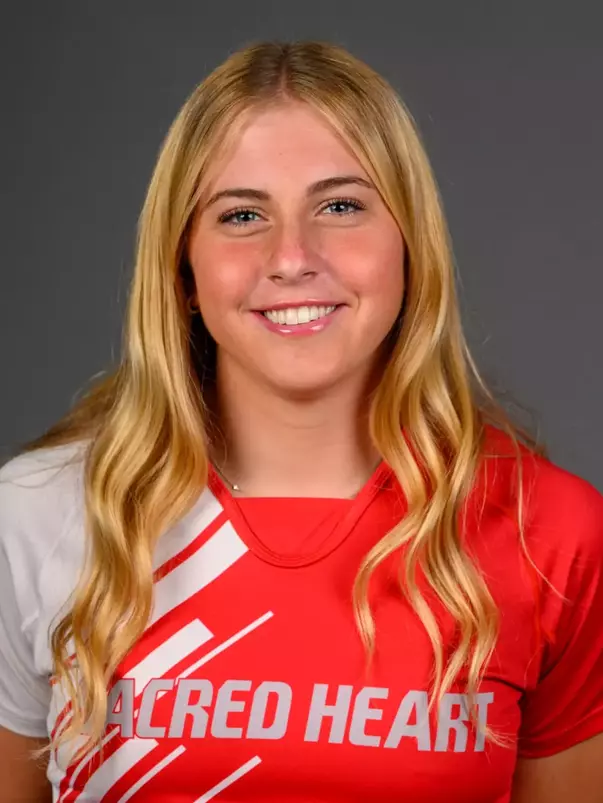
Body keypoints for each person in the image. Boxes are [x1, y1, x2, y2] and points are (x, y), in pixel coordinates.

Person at [0, 40, 602, 803]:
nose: (291, 257)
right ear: (182, 267)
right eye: (242, 214)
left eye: (341, 206)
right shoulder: (41, 514)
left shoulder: (547, 530)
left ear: (409, 247)